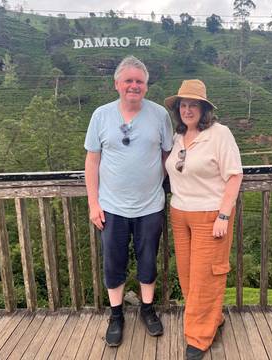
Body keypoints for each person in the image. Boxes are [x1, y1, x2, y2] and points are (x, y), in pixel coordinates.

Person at [84, 55, 173, 347]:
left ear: (146, 86)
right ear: (117, 84)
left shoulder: (160, 115)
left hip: (150, 205)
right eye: (129, 81)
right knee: (114, 262)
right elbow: (92, 162)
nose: (134, 86)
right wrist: (93, 203)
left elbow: (166, 157)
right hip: (111, 207)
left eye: (139, 81)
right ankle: (116, 315)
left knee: (148, 260)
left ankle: (147, 310)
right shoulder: (100, 115)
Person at [164, 79, 243, 359]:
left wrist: (224, 214)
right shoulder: (177, 137)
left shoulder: (219, 134)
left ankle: (199, 337)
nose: (187, 110)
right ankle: (212, 318)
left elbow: (234, 175)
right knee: (187, 275)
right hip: (179, 213)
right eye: (183, 105)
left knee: (206, 276)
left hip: (209, 214)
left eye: (192, 105)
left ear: (203, 109)